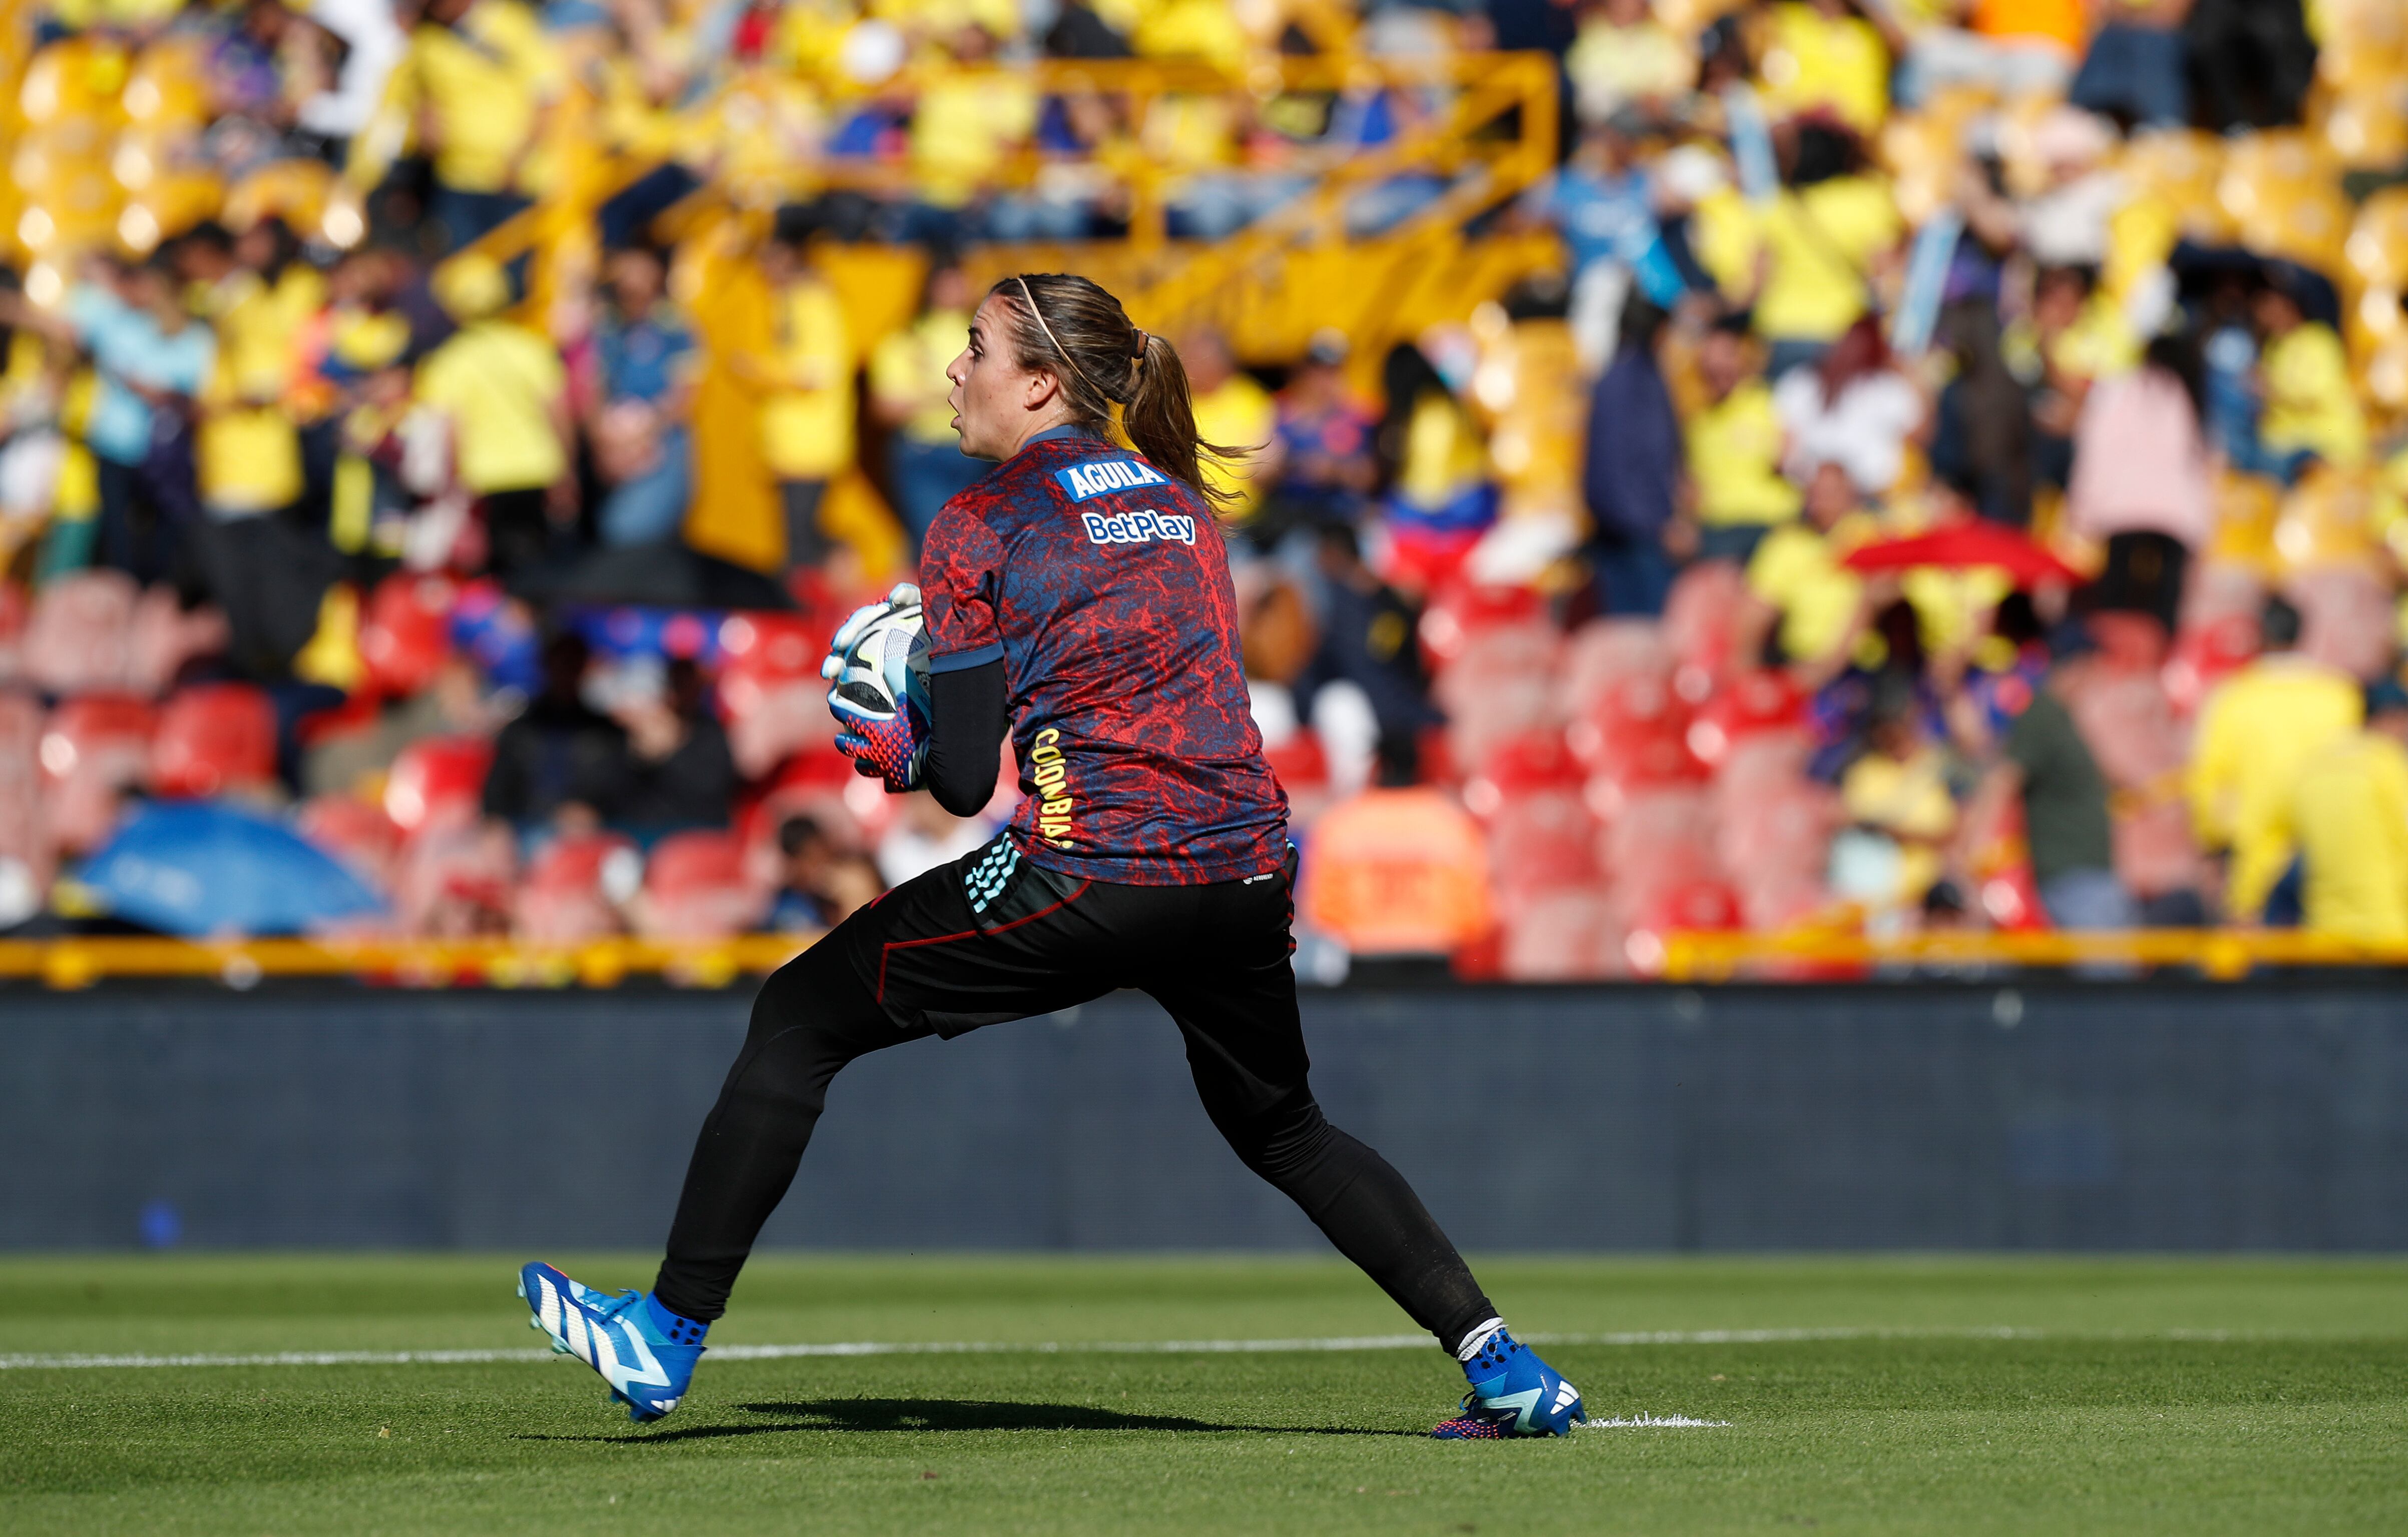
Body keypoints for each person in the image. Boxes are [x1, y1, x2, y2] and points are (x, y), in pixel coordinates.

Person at [518, 272, 1586, 1441]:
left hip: (1096, 869)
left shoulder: (978, 521)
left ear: (1037, 382)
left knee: (797, 1013)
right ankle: (1506, 1365)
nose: (952, 370)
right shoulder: (1181, 503)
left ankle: (664, 1333)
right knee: (1284, 1125)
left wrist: (898, 730)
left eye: (974, 348)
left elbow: (961, 781)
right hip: (1242, 870)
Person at [2187, 595, 2362, 922]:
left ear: (2259, 636)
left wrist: (2213, 841)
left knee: (2258, 945)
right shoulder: (2340, 694)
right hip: (2330, 853)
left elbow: (2210, 783)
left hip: (2257, 864)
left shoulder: (2233, 698)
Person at [414, 252, 573, 578]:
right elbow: (558, 415)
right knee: (539, 572)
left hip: (481, 480)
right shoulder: (532, 348)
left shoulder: (446, 362)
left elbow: (450, 432)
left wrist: (453, 491)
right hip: (538, 472)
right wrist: (567, 473)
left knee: (492, 578)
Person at [2068, 332, 2211, 639]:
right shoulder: (2186, 394)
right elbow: (2196, 462)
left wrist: (2083, 504)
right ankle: (2160, 655)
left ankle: (2114, 654)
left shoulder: (2117, 388)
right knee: (2165, 607)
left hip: (2120, 507)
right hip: (2175, 513)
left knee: (2115, 598)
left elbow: (2096, 447)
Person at [748, 206, 854, 576]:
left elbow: (817, 373)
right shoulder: (793, 299)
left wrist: (757, 371)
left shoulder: (809, 301)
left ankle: (840, 574)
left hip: (808, 443)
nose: (763, 267)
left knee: (801, 552)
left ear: (790, 256)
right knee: (801, 540)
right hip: (794, 443)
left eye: (770, 257)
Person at [2278, 678, 2408, 946]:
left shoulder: (2313, 765)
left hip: (2325, 934)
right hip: (2390, 935)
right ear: (2388, 719)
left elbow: (2279, 844)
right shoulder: (2390, 766)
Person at [868, 257, 986, 552]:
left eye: (960, 281)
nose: (955, 289)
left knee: (974, 546)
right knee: (933, 543)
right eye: (947, 282)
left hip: (978, 454)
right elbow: (884, 407)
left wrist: (928, 397)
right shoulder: (906, 338)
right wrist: (945, 396)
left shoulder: (986, 336)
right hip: (923, 452)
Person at [1582, 294, 1682, 616]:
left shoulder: (1614, 376)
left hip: (1613, 518)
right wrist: (1660, 519)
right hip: (1638, 526)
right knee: (1646, 622)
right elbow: (1647, 452)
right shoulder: (1639, 381)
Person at [1687, 312, 1800, 565]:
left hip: (1771, 523)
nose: (1718, 367)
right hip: (1719, 527)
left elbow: (1792, 460)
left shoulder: (1772, 403)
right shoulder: (1698, 422)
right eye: (1711, 361)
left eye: (1727, 356)